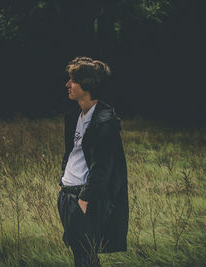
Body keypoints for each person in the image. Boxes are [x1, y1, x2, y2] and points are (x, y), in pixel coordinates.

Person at [57, 56, 129, 267]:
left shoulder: (104, 121)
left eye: (73, 80)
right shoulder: (76, 116)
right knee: (81, 256)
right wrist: (63, 179)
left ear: (87, 85)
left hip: (84, 198)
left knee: (87, 258)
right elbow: (73, 151)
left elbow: (103, 167)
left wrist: (84, 200)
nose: (67, 85)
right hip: (68, 195)